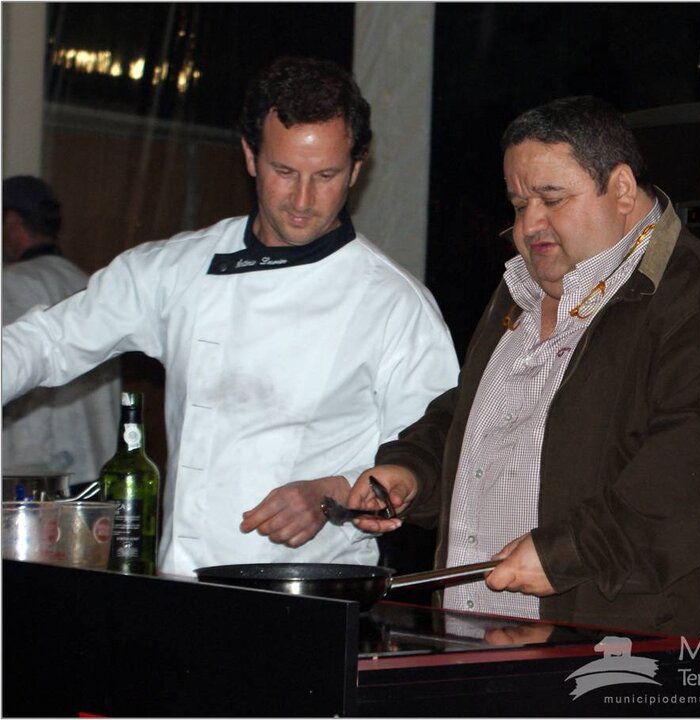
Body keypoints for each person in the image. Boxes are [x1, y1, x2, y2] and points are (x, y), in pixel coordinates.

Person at [349, 97, 700, 654]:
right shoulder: (521, 288)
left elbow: (691, 486)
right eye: (519, 204)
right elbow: (481, 415)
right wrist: (413, 470)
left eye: (552, 199)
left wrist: (565, 555)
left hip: (660, 667)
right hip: (489, 649)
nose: (528, 224)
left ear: (623, 189)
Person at [2, 57, 459, 576]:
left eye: (326, 176)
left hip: (308, 590)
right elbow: (47, 341)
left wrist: (334, 492)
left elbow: (433, 454)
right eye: (284, 172)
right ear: (249, 156)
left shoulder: (394, 304)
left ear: (357, 168)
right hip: (179, 580)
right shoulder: (178, 269)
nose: (303, 200)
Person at [2, 175, 121, 485]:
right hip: (96, 467)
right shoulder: (89, 282)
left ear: (12, 222)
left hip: (33, 478)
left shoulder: (9, 285)